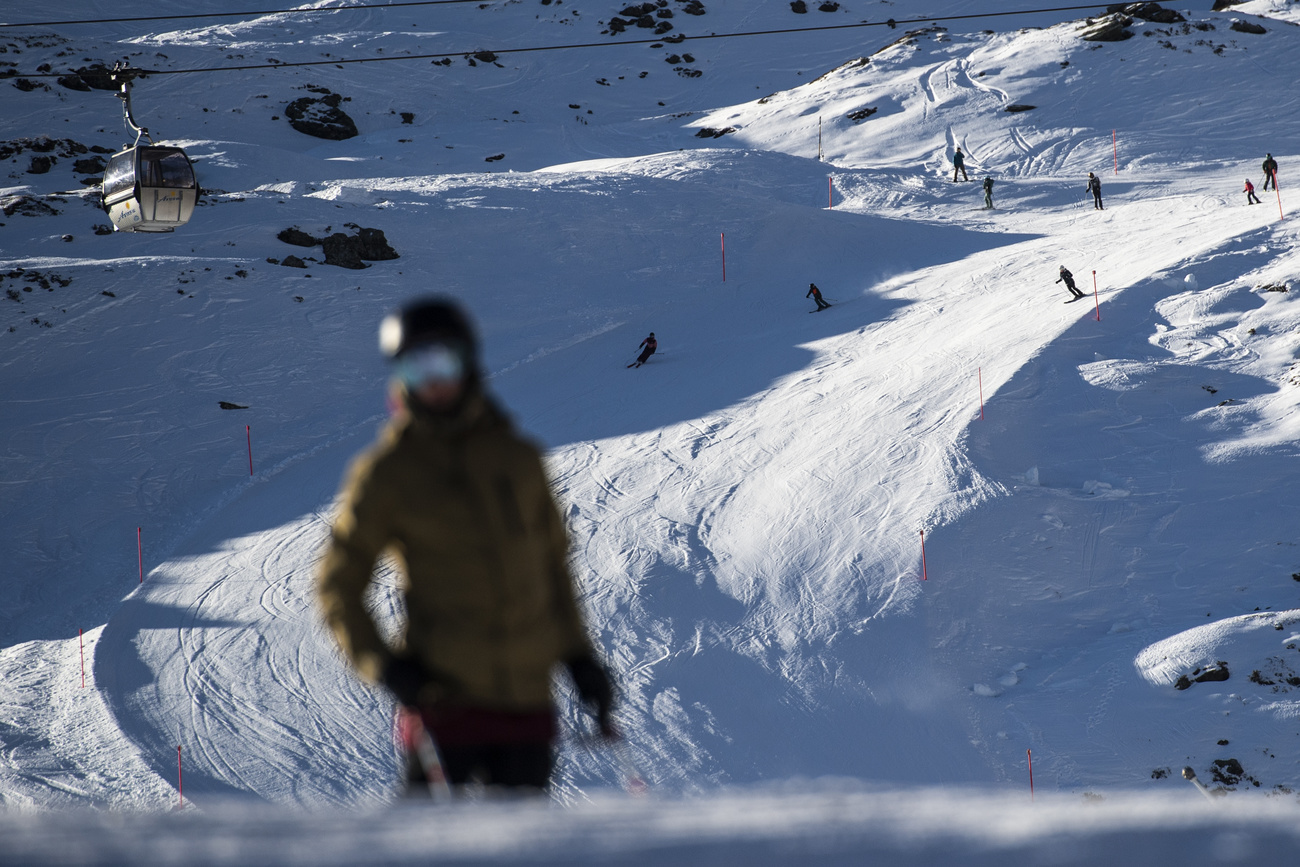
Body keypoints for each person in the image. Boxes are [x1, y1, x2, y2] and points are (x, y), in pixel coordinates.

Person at [317, 297, 615, 797]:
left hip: (525, 703)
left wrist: (579, 659)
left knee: (521, 837)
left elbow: (552, 570)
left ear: (468, 363)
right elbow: (338, 583)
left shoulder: (518, 461)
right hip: (442, 699)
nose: (433, 381)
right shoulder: (389, 472)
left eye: (444, 362)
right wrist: (384, 665)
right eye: (417, 367)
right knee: (430, 837)